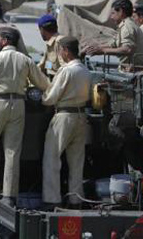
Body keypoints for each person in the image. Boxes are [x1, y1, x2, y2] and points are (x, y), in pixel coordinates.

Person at [0, 28, 50, 206]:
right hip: (18, 105)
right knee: (12, 152)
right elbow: (43, 83)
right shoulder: (26, 60)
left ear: (5, 41)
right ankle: (9, 195)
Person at [41, 37, 91, 208]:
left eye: (60, 50)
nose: (59, 53)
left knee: (52, 157)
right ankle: (76, 199)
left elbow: (51, 97)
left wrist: (42, 96)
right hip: (81, 116)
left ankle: (52, 198)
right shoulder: (85, 70)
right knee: (77, 161)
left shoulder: (66, 71)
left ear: (66, 51)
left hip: (64, 116)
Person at [84, 0, 139, 71]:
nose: (111, 17)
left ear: (121, 12)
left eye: (113, 13)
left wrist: (102, 50)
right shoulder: (125, 25)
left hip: (129, 71)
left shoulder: (127, 27)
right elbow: (113, 44)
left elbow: (127, 49)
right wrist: (95, 47)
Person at [37, 14, 66, 78]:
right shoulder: (50, 44)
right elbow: (43, 65)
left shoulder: (59, 42)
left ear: (42, 30)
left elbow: (66, 69)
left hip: (58, 82)